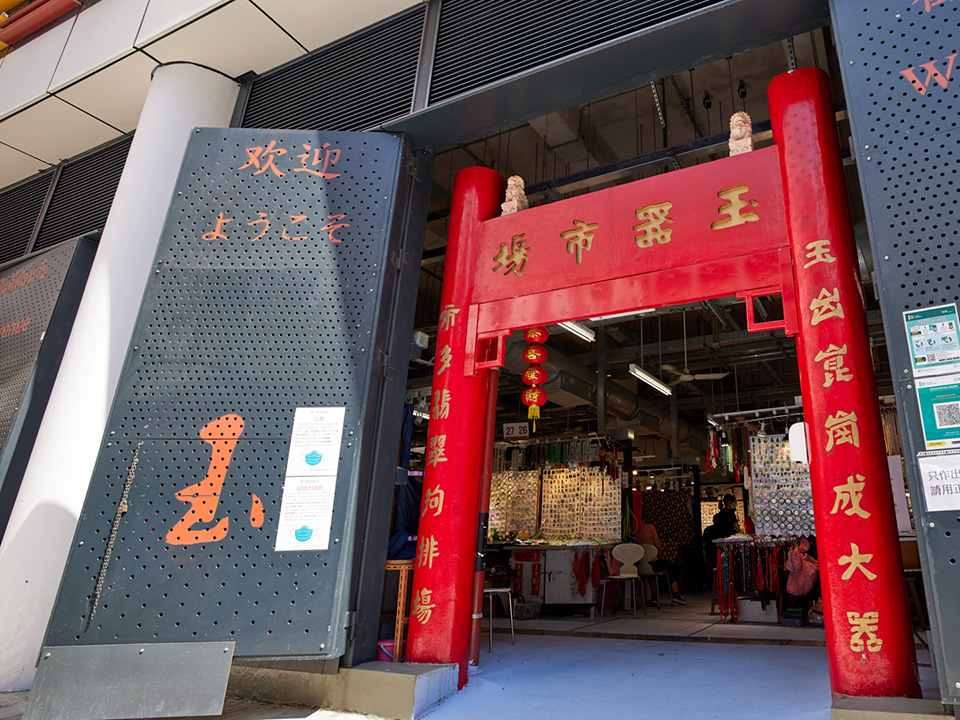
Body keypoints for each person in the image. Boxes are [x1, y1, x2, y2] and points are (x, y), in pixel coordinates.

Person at [636, 511, 686, 605]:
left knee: (650, 574)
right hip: (653, 561)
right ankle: (675, 594)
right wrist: (660, 552)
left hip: (639, 563)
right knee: (671, 568)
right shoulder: (650, 527)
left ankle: (654, 596)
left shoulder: (633, 530)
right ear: (645, 519)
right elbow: (657, 542)